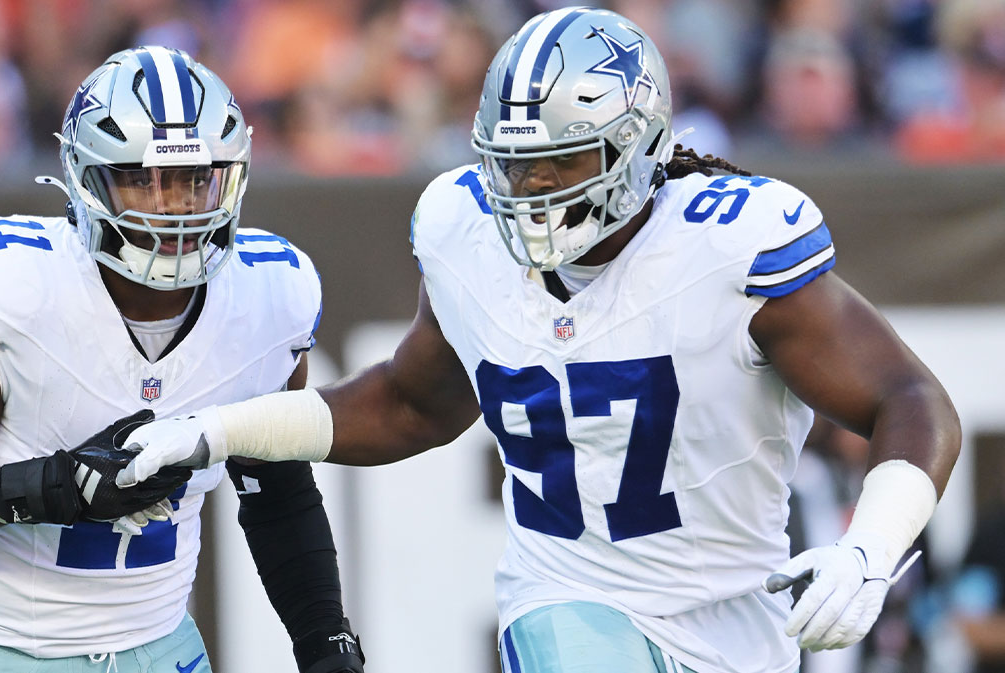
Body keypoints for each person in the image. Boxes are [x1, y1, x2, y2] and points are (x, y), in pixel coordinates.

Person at [119, 9, 960, 673]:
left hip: (737, 620)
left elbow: (911, 399)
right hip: (567, 592)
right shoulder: (464, 230)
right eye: (516, 165)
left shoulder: (727, 249)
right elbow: (413, 402)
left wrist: (870, 548)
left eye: (563, 163)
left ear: (635, 150)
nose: (532, 190)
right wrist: (220, 431)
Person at [0, 46, 364, 673]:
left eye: (194, 179)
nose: (174, 206)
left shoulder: (271, 294)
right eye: (142, 178)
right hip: (12, 651)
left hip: (167, 648)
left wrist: (323, 641)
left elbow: (275, 488)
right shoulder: (16, 285)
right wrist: (51, 487)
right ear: (85, 178)